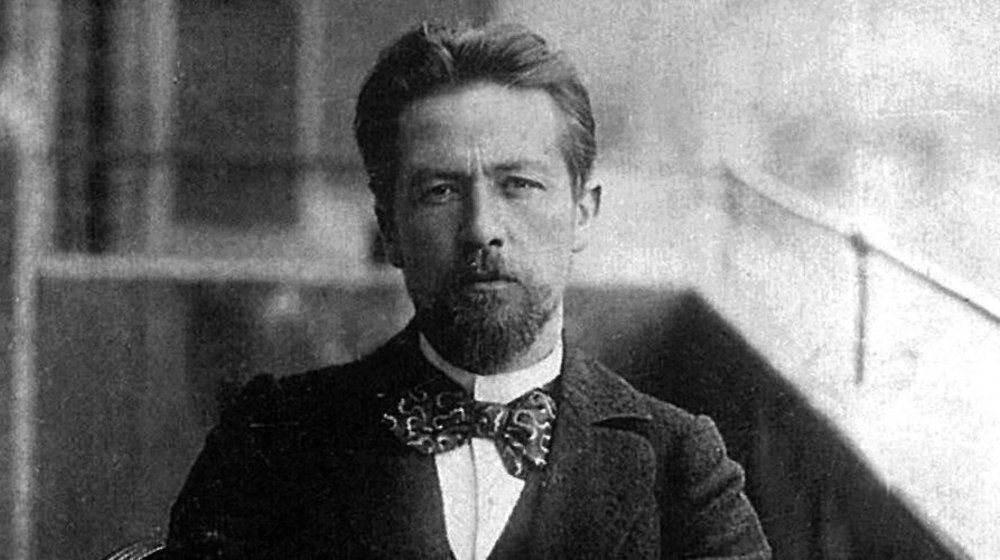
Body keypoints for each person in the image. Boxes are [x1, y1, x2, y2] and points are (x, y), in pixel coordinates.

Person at [164, 22, 771, 559]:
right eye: (441, 191)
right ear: (390, 230)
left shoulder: (680, 469)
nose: (482, 228)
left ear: (582, 212)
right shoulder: (273, 441)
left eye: (519, 184)